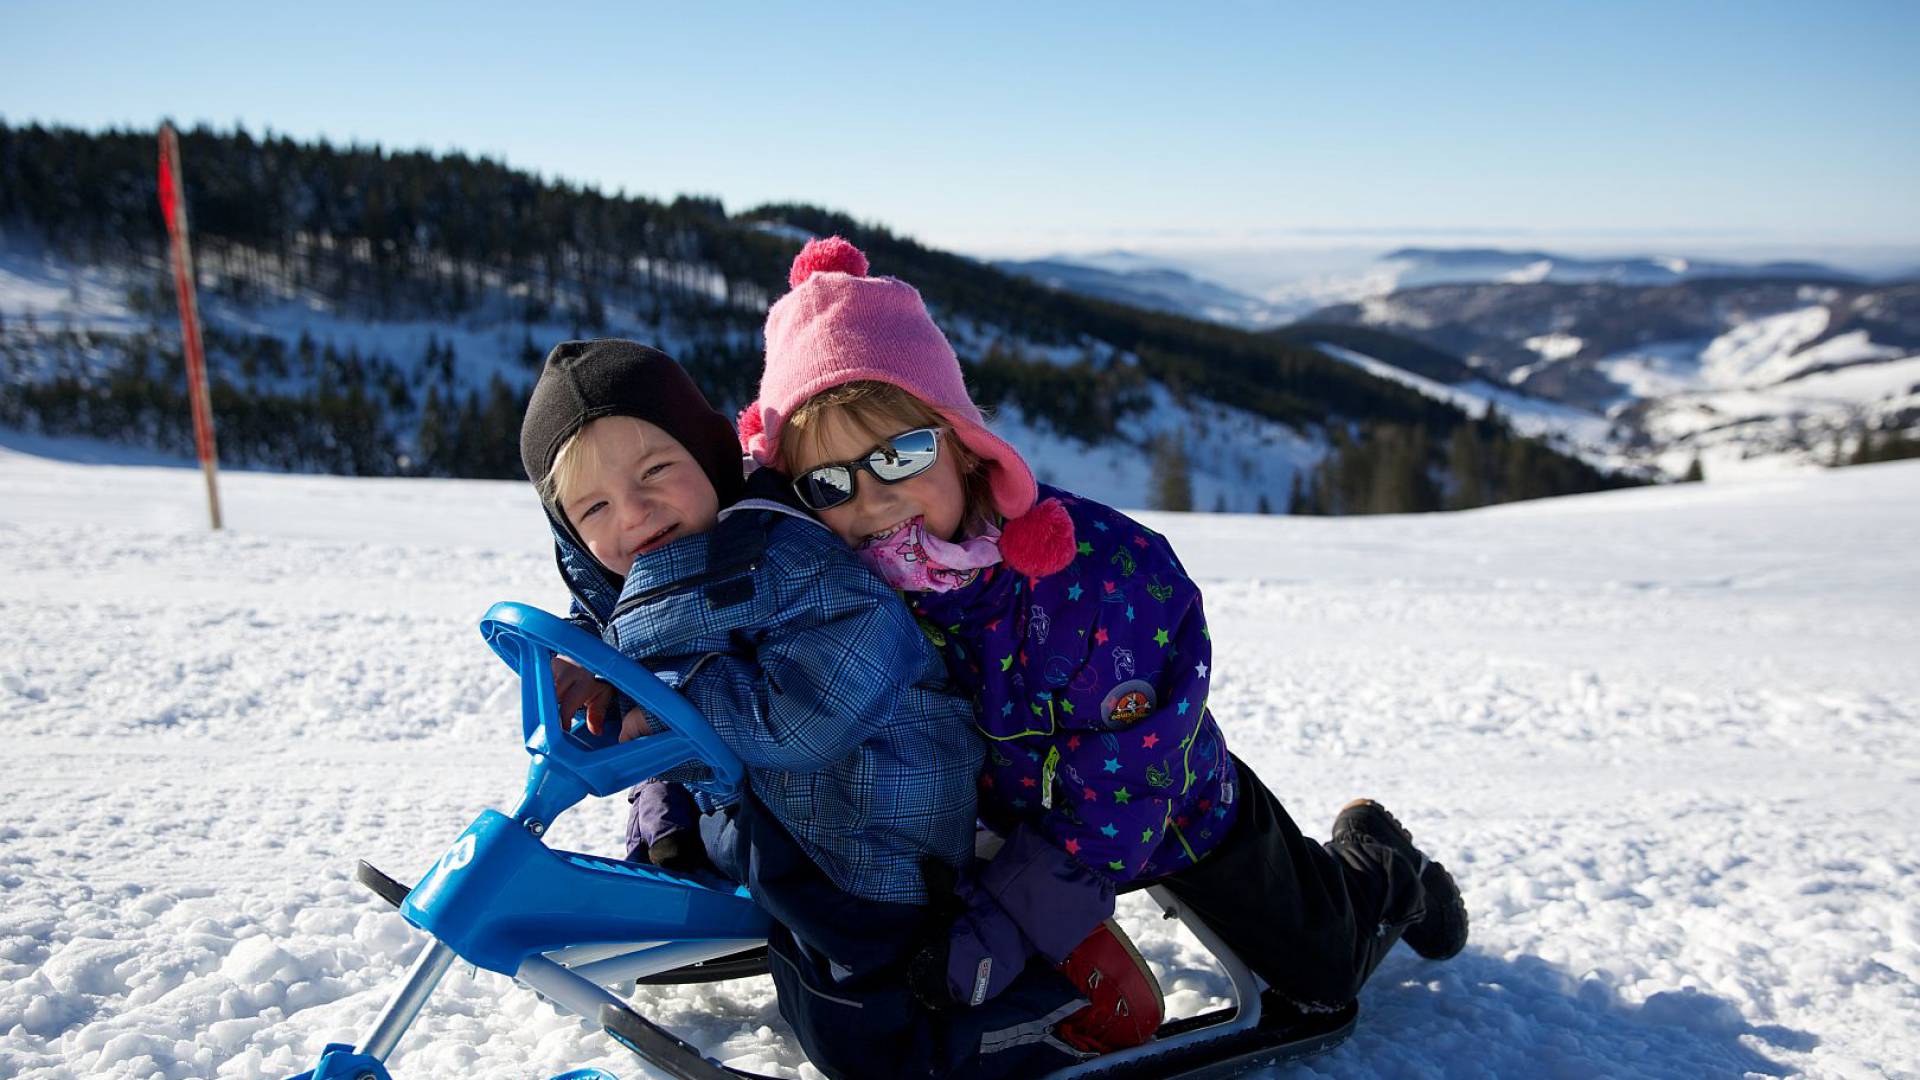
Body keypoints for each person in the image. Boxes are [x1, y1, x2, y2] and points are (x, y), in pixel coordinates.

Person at [741, 237, 1471, 1031]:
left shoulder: (1100, 579)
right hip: (1001, 835)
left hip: (1166, 809)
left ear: (963, 441)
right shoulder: (839, 593)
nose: (873, 499)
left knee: (1326, 976)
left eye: (901, 453)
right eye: (830, 481)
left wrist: (1011, 922)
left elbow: (1125, 787)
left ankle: (1384, 868)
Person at [518, 338, 1107, 1078]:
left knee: (852, 1024)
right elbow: (614, 619)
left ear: (707, 457)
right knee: (703, 846)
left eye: (656, 471)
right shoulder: (643, 565)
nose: (634, 513)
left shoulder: (788, 561)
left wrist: (667, 701)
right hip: (771, 801)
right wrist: (586, 658)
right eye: (595, 506)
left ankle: (1037, 1026)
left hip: (875, 822)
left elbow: (804, 719)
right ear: (570, 531)